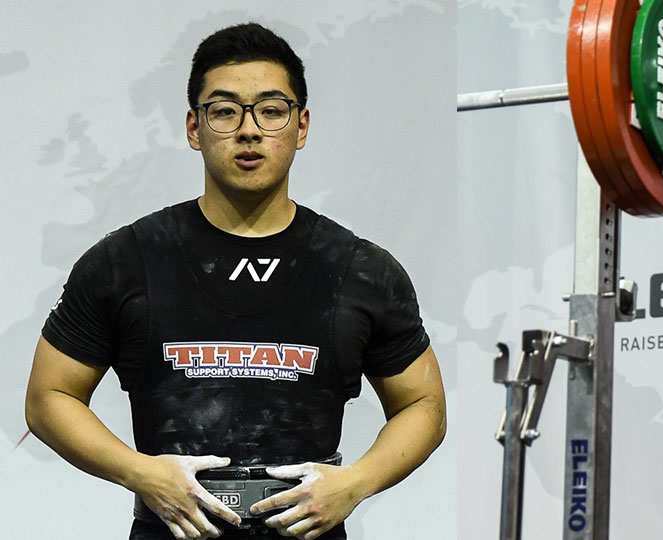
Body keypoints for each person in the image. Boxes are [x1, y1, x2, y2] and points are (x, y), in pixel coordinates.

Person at [24, 23, 446, 540]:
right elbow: (49, 396)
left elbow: (423, 404)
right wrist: (140, 473)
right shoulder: (125, 260)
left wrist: (356, 482)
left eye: (271, 110)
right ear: (194, 128)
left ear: (301, 126)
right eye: (224, 111)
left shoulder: (360, 269)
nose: (249, 130)